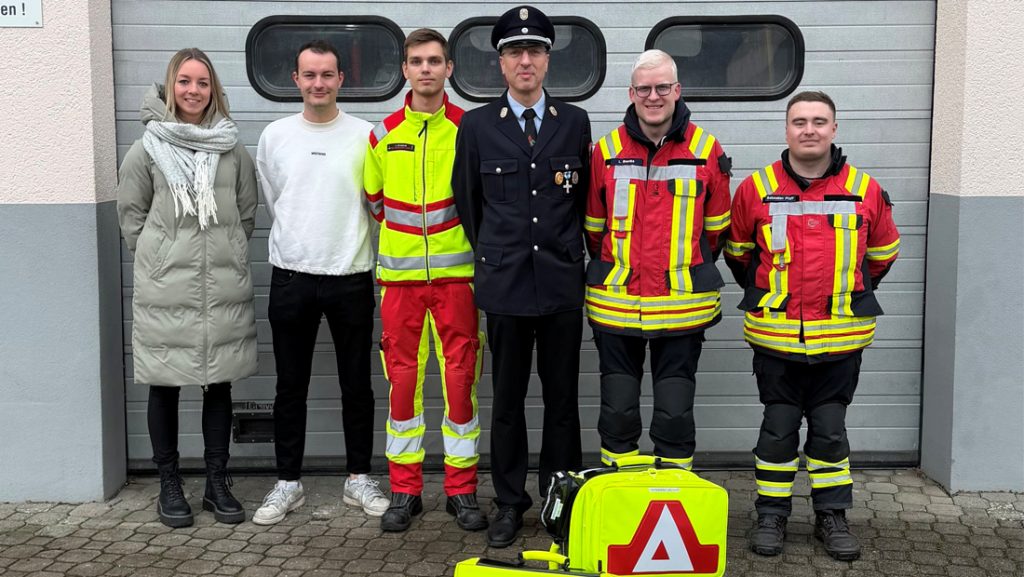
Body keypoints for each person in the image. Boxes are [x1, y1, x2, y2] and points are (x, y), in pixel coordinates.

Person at [725, 91, 900, 561]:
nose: (809, 129)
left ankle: (832, 515)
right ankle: (772, 515)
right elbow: (739, 253)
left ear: (834, 129)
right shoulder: (755, 188)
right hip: (775, 339)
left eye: (819, 121)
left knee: (829, 431)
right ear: (786, 129)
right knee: (778, 430)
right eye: (799, 121)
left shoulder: (864, 189)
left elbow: (882, 254)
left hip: (841, 340)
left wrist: (846, 293)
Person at [452, 5, 592, 548]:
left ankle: (562, 505)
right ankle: (510, 503)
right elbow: (470, 202)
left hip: (559, 286)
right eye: (515, 52)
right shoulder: (479, 124)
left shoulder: (573, 122)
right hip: (506, 286)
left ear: (547, 59)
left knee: (562, 404)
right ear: (501, 63)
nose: (525, 60)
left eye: (534, 51)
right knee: (507, 404)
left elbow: (583, 202)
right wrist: (500, 252)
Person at [116, 48, 257, 528]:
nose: (193, 91)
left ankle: (217, 483)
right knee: (165, 384)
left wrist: (230, 251)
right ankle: (169, 484)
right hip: (166, 286)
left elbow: (246, 211)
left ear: (213, 89)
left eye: (202, 83)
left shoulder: (231, 147)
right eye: (184, 81)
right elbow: (130, 216)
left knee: (218, 382)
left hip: (220, 283)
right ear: (169, 86)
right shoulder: (147, 147)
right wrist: (157, 259)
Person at [252, 40, 389, 525]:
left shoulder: (365, 135)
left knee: (357, 384)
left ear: (340, 80)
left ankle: (358, 478)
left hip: (350, 274)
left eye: (327, 75)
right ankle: (288, 482)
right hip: (291, 275)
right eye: (309, 75)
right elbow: (276, 198)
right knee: (291, 385)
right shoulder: (274, 136)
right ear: (295, 80)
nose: (318, 84)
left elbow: (376, 202)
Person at [363, 28, 486, 533]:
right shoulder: (383, 134)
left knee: (461, 387)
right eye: (417, 61)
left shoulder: (470, 129)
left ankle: (462, 491)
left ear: (449, 68)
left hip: (458, 280)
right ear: (405, 70)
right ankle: (404, 491)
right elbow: (374, 201)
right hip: (400, 285)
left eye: (435, 60)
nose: (426, 69)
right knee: (402, 390)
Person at [584, 49, 732, 469]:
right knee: (618, 411)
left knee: (674, 412)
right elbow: (594, 228)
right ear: (631, 93)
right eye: (644, 88)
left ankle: (673, 498)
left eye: (662, 87)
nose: (654, 96)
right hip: (616, 306)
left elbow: (716, 229)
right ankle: (624, 496)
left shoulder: (706, 149)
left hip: (683, 308)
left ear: (677, 90)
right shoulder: (606, 149)